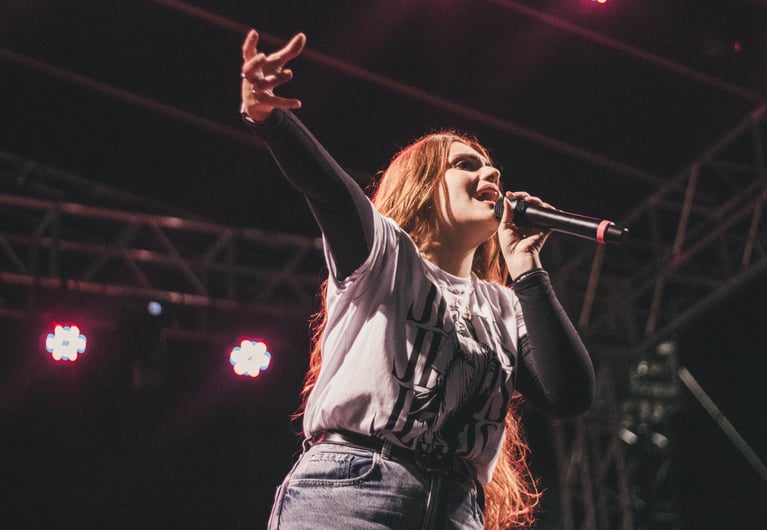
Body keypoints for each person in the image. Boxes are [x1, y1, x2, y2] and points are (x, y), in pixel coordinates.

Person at [239, 29, 595, 530]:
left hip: (456, 508)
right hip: (353, 489)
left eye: (493, 168)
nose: (492, 176)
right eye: (466, 165)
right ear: (423, 186)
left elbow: (568, 395)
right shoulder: (386, 254)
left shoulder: (503, 307)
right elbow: (331, 193)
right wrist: (268, 117)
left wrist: (526, 266)